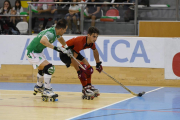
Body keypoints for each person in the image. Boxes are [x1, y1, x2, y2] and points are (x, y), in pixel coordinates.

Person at [26, 19, 73, 100]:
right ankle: (47, 90)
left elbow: (60, 38)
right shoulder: (51, 34)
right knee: (49, 68)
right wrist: (56, 48)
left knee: (42, 69)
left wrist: (66, 47)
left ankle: (39, 86)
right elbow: (43, 40)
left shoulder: (56, 31)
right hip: (32, 52)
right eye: (65, 30)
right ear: (61, 29)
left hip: (38, 51)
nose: (65, 31)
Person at [59, 26, 103, 100]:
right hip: (65, 54)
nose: (95, 39)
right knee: (82, 68)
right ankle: (85, 89)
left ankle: (89, 86)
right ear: (88, 35)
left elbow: (95, 51)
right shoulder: (80, 42)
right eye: (94, 36)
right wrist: (79, 71)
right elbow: (74, 59)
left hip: (73, 52)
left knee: (89, 68)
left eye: (96, 37)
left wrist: (98, 63)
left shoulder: (91, 43)